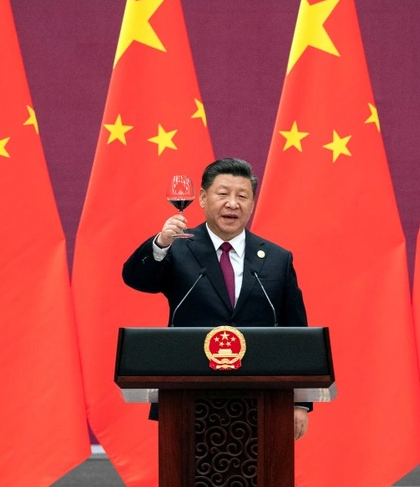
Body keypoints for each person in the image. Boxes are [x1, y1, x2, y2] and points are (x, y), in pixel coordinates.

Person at [122, 157, 311, 440]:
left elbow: (296, 332)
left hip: (261, 396)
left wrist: (300, 402)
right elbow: (137, 279)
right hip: (188, 395)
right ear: (202, 197)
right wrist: (160, 244)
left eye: (242, 196)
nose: (232, 204)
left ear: (252, 203)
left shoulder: (276, 259)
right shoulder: (177, 248)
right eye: (223, 193)